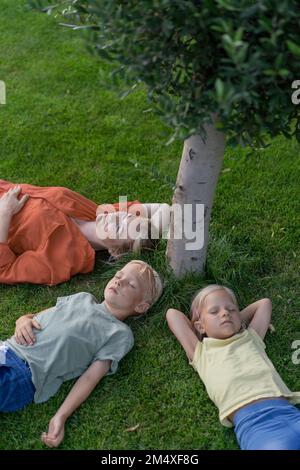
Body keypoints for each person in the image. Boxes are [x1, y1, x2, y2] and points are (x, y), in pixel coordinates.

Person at [0, 260, 163, 448]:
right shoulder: (82, 298)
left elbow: (90, 378)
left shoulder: (119, 333)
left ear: (141, 306)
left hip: (25, 373)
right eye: (119, 276)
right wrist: (22, 319)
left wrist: (60, 416)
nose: (119, 281)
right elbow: (38, 316)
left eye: (131, 284)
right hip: (7, 348)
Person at [166, 285, 300, 450]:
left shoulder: (251, 337)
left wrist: (234, 321)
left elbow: (264, 304)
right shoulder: (200, 352)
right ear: (200, 326)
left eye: (231, 309)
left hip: (290, 412)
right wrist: (219, 323)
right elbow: (172, 314)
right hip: (256, 425)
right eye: (214, 312)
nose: (225, 313)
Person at [0, 179, 158, 285]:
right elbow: (165, 209)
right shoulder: (96, 212)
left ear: (115, 252)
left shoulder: (67, 258)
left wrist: (5, 213)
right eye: (126, 216)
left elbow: (5, 269)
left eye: (118, 228)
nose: (115, 217)